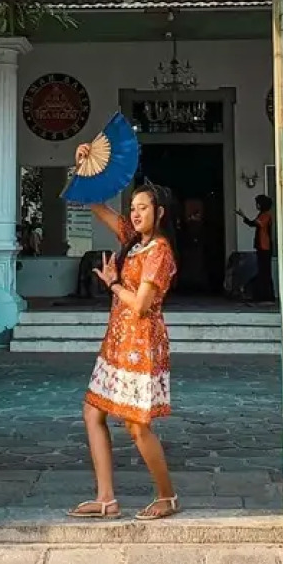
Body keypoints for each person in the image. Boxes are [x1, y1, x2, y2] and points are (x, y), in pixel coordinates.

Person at [67, 150, 180, 522]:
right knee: (92, 412)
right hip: (116, 340)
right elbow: (95, 205)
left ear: (159, 213)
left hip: (141, 343)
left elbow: (142, 305)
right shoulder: (134, 241)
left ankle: (167, 496)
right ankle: (106, 498)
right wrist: (84, 168)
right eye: (133, 208)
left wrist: (113, 284)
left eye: (143, 208)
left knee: (136, 425)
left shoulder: (159, 252)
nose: (135, 213)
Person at [236, 194, 276, 305]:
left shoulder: (265, 216)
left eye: (257, 203)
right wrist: (243, 216)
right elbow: (252, 223)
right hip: (262, 247)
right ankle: (262, 296)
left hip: (264, 247)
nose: (256, 205)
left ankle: (267, 296)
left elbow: (254, 223)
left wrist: (244, 217)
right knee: (263, 272)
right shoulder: (263, 215)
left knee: (265, 272)